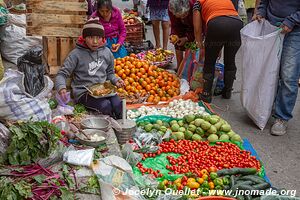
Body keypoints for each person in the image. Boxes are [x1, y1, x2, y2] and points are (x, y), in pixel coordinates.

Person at [55, 18, 125, 119]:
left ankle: (122, 129)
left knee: (119, 106)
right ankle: (109, 126)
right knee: (105, 106)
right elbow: (62, 74)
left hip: (104, 90)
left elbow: (110, 73)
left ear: (103, 38)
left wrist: (116, 80)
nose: (95, 41)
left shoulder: (107, 52)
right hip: (84, 93)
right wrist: (61, 87)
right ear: (84, 38)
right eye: (91, 37)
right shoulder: (76, 54)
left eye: (99, 37)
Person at [253, 0, 300, 135]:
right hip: (271, 26)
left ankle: (282, 117)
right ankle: (267, 107)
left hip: (295, 30)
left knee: (288, 75)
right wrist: (261, 11)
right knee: (268, 71)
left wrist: (292, 20)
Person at [193, 0, 243, 103]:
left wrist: (200, 45)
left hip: (217, 24)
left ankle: (206, 94)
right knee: (230, 60)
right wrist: (217, 46)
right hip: (237, 23)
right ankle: (227, 91)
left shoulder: (198, 3)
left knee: (209, 62)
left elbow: (197, 28)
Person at [168, 0, 196, 70]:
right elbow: (175, 25)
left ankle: (188, 69)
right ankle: (179, 68)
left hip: (194, 25)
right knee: (177, 42)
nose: (182, 18)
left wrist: (187, 38)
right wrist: (173, 35)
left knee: (191, 47)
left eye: (184, 15)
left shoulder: (194, 6)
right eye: (180, 16)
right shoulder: (172, 7)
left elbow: (197, 29)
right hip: (180, 25)